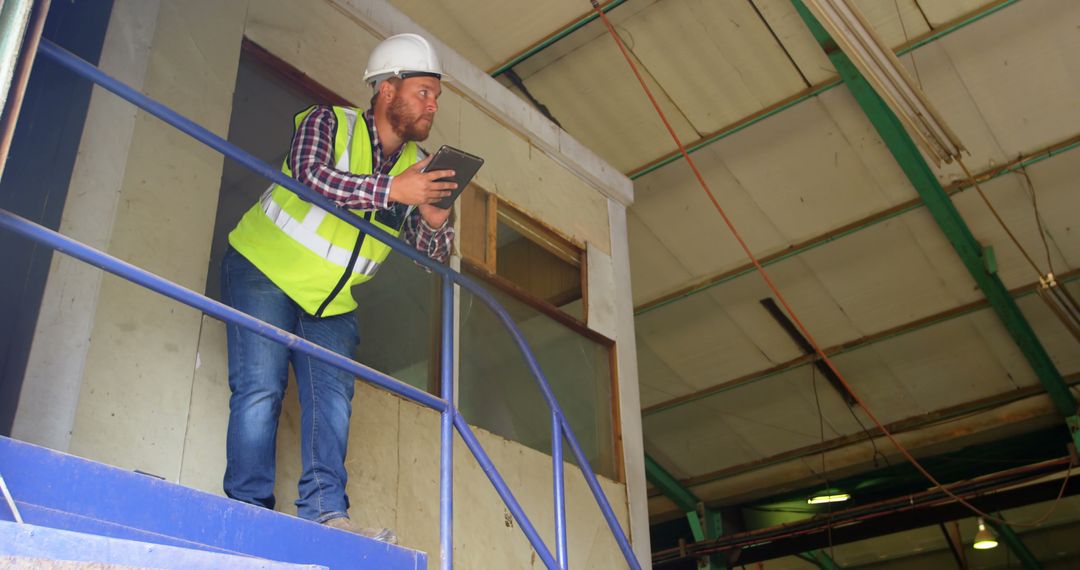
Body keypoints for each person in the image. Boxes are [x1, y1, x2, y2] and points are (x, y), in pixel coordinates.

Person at [220, 33, 456, 543]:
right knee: (260, 390)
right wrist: (393, 189)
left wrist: (435, 218)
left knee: (331, 405)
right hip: (264, 270)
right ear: (388, 90)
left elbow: (428, 262)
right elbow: (310, 178)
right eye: (423, 92)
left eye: (436, 95)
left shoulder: (419, 167)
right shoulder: (328, 122)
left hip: (331, 303)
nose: (432, 104)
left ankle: (327, 514)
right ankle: (247, 508)